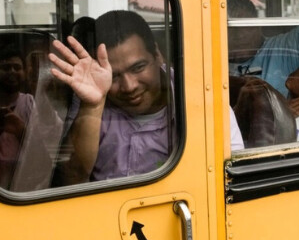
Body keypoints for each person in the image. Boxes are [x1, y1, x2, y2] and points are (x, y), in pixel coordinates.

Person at [49, 10, 242, 185]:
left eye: (138, 68)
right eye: (114, 76)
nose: (129, 86)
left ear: (157, 55)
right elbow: (70, 179)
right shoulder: (93, 92)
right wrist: (92, 107)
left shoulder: (202, 99)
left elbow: (228, 182)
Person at [0, 46, 58, 188]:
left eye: (17, 67)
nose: (12, 72)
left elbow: (46, 149)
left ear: (24, 73)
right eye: (6, 67)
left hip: (23, 184)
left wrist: (21, 131)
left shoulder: (30, 102)